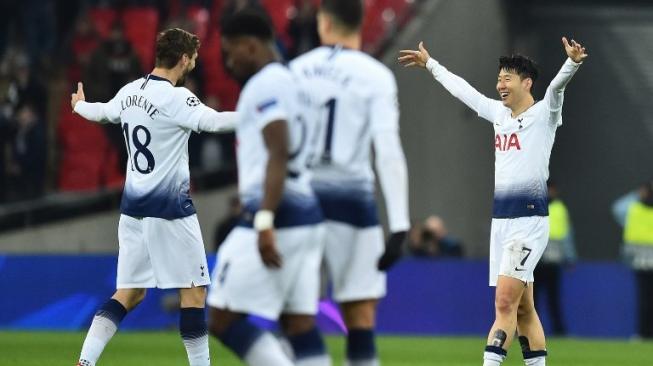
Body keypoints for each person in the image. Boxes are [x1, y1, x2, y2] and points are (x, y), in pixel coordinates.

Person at [399, 37, 587, 366]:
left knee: (503, 304)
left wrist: (571, 63)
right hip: (501, 224)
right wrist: (431, 64)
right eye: (499, 78)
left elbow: (557, 89)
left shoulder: (545, 114)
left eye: (507, 78)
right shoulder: (499, 115)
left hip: (528, 223)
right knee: (525, 308)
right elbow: (465, 92)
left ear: (526, 83)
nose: (500, 84)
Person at [70, 27, 239, 366]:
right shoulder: (178, 98)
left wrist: (79, 106)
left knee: (129, 293)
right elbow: (216, 122)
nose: (193, 63)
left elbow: (101, 112)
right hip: (170, 212)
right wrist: (261, 116)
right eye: (192, 58)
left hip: (132, 213)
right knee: (193, 293)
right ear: (183, 59)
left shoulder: (131, 91)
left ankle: (85, 363)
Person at [205, 10, 330, 366]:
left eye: (231, 52)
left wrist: (264, 221)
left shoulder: (265, 84)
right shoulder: (295, 82)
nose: (228, 62)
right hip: (306, 214)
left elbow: (278, 148)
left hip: (278, 214)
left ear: (250, 45)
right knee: (298, 324)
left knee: (222, 318)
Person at [290, 1, 410, 364]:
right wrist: (401, 224)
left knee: (298, 314)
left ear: (323, 23)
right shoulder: (375, 75)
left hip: (300, 202)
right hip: (353, 203)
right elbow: (387, 150)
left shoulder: (294, 71)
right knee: (359, 316)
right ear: (360, 23)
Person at [534, 180, 576, 336]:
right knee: (531, 299)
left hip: (553, 261)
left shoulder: (559, 209)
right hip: (534, 261)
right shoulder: (532, 206)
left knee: (553, 298)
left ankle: (559, 330)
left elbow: (567, 235)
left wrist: (570, 257)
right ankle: (529, 330)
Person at [613, 180, 653, 339]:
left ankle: (643, 333)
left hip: (640, 261)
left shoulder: (633, 208)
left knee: (644, 298)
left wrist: (638, 193)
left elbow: (618, 208)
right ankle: (645, 332)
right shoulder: (634, 209)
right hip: (642, 261)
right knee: (645, 299)